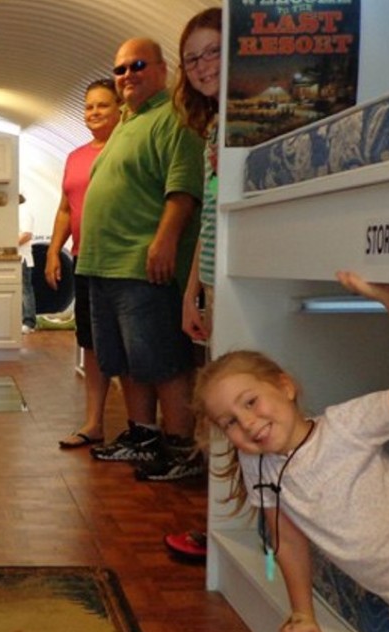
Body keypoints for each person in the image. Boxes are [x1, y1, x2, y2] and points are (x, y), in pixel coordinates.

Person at [195, 271, 389, 632]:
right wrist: (301, 612)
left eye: (250, 401)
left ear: (285, 386)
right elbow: (287, 543)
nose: (247, 423)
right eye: (230, 422)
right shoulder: (257, 465)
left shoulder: (347, 426)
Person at [78, 37, 205, 481]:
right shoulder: (127, 123)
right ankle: (143, 436)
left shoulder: (174, 117)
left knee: (162, 361)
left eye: (137, 65)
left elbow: (184, 187)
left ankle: (181, 449)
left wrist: (164, 241)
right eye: (120, 69)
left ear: (162, 69)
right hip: (102, 264)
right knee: (126, 362)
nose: (127, 75)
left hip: (141, 264)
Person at [45, 78, 155, 451]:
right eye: (89, 106)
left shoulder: (130, 148)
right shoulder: (76, 156)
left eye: (102, 105)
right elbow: (65, 208)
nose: (93, 112)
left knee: (129, 348)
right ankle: (93, 424)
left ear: (120, 109)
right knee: (92, 345)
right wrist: (53, 251)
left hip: (123, 263)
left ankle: (139, 429)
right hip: (84, 262)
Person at [163, 7, 223, 561]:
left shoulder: (244, 126)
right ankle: (224, 522)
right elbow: (212, 217)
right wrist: (193, 289)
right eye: (193, 58)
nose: (203, 66)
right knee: (219, 407)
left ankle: (228, 526)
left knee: (230, 406)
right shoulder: (212, 129)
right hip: (217, 281)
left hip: (236, 280)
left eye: (214, 52)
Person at [18, 194, 36, 334]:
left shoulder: (23, 211)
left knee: (25, 290)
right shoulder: (15, 212)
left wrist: (9, 245)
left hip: (22, 257)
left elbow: (26, 234)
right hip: (15, 257)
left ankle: (29, 322)